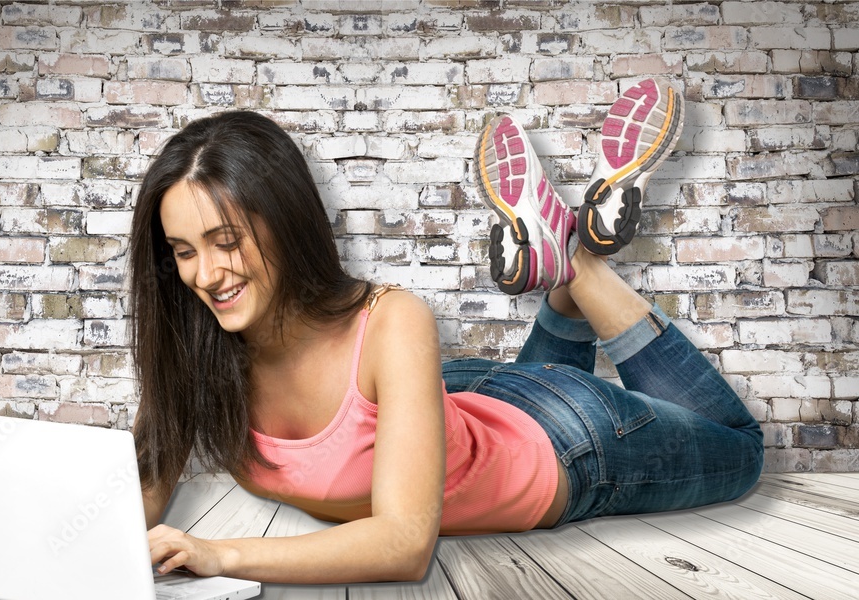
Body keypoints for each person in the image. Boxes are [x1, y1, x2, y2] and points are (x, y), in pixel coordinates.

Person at [128, 78, 764, 584]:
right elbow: (136, 508)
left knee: (743, 449)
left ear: (285, 222)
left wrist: (221, 555)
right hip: (469, 401)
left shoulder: (389, 320)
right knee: (522, 391)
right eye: (184, 251)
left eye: (226, 241)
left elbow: (404, 545)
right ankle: (560, 253)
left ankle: (577, 263)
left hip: (566, 445)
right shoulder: (195, 348)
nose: (206, 275)